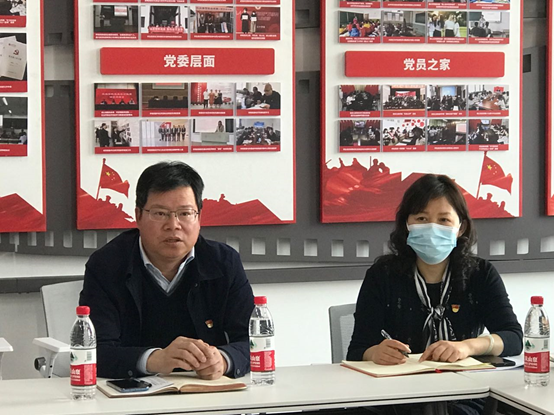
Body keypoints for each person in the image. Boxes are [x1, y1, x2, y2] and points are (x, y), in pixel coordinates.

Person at [347, 174, 522, 414]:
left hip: (463, 395)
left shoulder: (480, 274)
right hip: (397, 397)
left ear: (461, 227)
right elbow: (356, 350)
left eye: (443, 220)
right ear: (407, 225)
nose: (432, 228)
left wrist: (467, 347)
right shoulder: (382, 275)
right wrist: (375, 352)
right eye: (422, 218)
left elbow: (513, 338)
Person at [80, 161, 255, 380]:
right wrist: (156, 360)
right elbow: (94, 350)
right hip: (132, 392)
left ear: (199, 217)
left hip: (206, 390)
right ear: (138, 216)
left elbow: (254, 340)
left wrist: (223, 360)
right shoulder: (106, 265)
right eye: (160, 213)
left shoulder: (224, 262)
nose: (173, 225)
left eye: (185, 213)